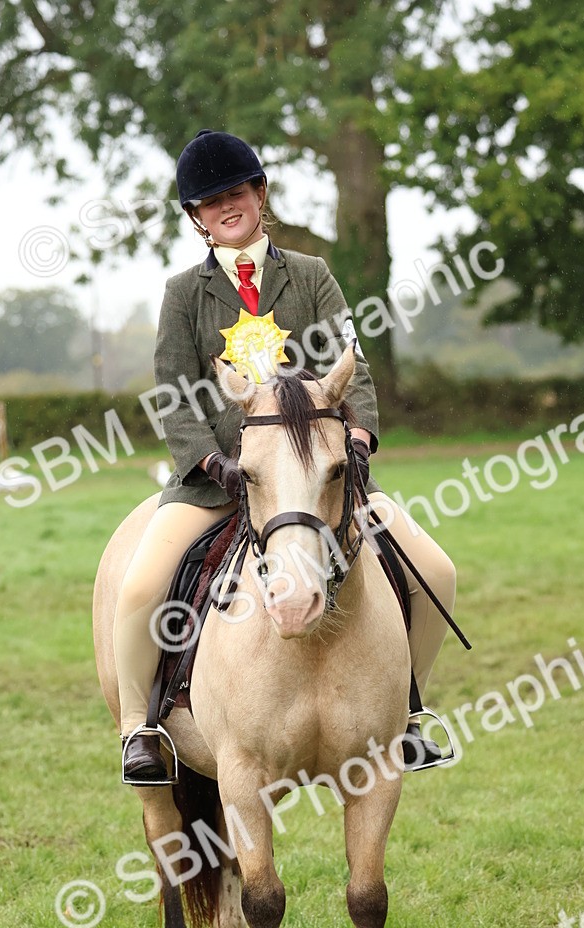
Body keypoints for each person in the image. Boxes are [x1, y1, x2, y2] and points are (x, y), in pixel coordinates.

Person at [115, 129, 457, 784]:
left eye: (236, 193)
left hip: (318, 478)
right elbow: (171, 395)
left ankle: (407, 712)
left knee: (436, 572)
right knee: (139, 586)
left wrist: (358, 441)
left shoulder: (311, 275)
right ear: (195, 217)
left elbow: (351, 368)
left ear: (260, 194)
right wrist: (209, 461)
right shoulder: (184, 293)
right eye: (210, 201)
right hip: (217, 481)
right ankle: (142, 728)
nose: (226, 207)